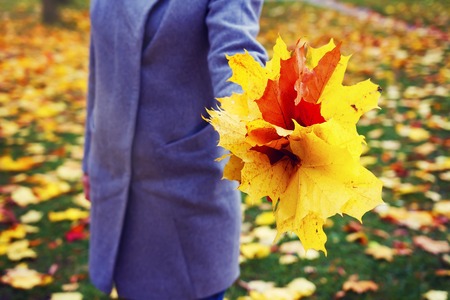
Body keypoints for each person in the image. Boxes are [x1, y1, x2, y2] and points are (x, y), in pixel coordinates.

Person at [82, 0, 267, 299]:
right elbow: (99, 68)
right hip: (114, 181)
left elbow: (236, 54)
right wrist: (91, 158)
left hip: (184, 188)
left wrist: (259, 130)